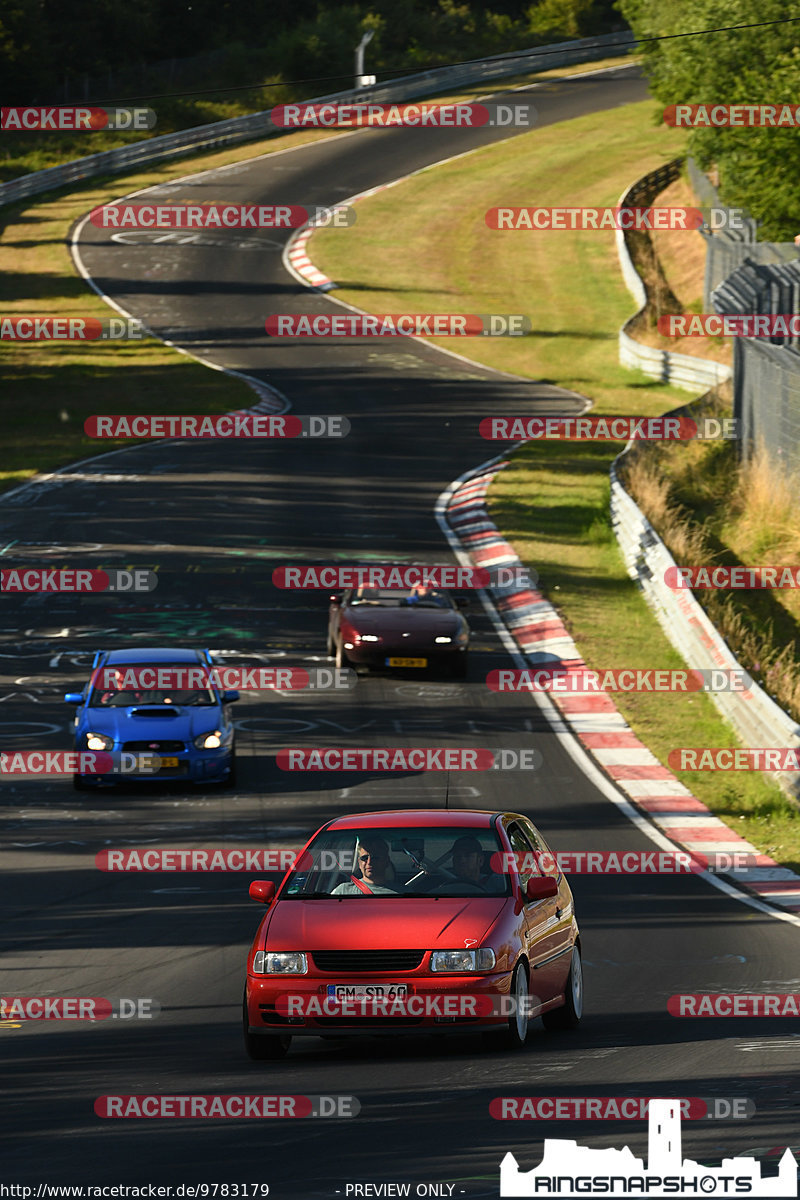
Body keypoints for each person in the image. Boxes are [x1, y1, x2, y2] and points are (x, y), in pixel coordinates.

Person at [331, 836, 397, 895]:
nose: (369, 862)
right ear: (359, 862)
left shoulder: (403, 893)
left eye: (375, 857)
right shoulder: (343, 891)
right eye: (364, 858)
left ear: (386, 861)